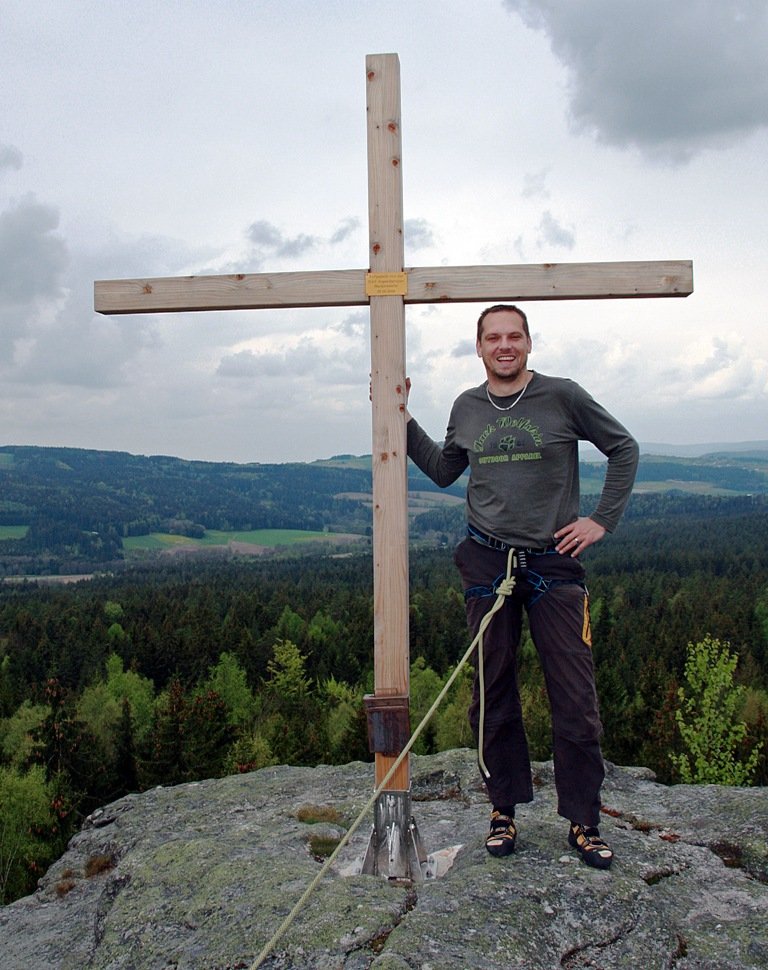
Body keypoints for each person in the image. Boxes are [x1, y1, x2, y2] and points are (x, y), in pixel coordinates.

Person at [405, 304, 638, 869]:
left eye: (514, 336)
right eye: (493, 338)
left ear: (529, 343)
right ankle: (502, 810)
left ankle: (584, 821)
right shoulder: (466, 406)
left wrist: (601, 520)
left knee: (575, 698)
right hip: (488, 563)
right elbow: (442, 469)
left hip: (554, 563)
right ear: (479, 348)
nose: (504, 345)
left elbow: (623, 448)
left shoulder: (563, 396)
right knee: (492, 693)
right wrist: (399, 414)